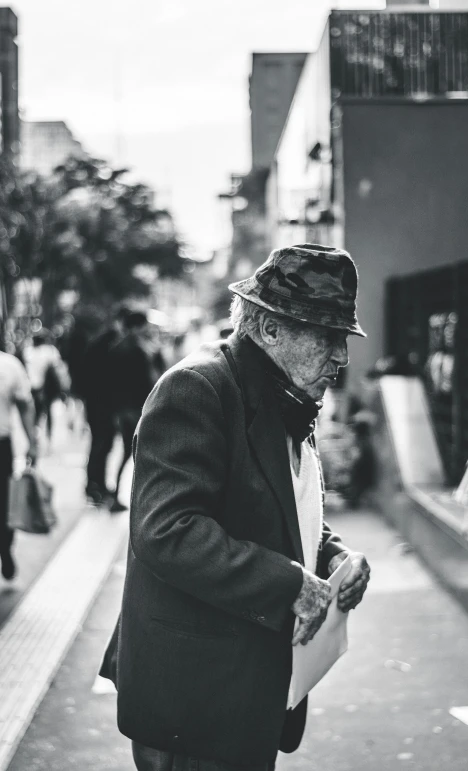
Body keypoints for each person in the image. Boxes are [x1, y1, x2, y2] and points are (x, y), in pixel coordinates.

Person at [100, 244, 371, 770]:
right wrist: (291, 584)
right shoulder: (197, 388)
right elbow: (167, 530)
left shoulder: (284, 393)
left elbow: (277, 502)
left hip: (244, 694)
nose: (341, 357)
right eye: (327, 336)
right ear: (269, 329)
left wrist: (332, 555)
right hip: (195, 703)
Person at [108, 310, 158, 512]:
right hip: (135, 408)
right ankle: (143, 500)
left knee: (128, 451)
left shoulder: (116, 347)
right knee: (141, 453)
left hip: (121, 408)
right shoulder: (138, 350)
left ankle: (117, 493)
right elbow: (146, 382)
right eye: (144, 325)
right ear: (137, 326)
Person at [81, 306, 130, 505]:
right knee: (101, 443)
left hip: (100, 403)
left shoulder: (105, 341)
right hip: (99, 403)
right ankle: (94, 484)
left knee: (104, 443)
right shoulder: (107, 343)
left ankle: (98, 483)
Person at [0, 347, 38, 580]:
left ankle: (5, 548)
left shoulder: (9, 365)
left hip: (1, 444)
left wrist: (32, 442)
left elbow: (25, 405)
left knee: (3, 503)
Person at [23, 329, 69, 442]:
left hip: (32, 387)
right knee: (47, 411)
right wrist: (63, 388)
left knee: (36, 413)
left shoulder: (28, 352)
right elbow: (58, 370)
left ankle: (35, 434)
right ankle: (48, 435)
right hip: (45, 388)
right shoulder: (50, 351)